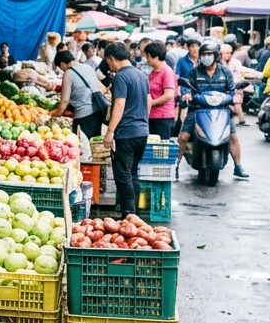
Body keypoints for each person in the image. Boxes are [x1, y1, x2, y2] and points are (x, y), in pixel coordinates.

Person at [180, 41, 250, 181]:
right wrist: (186, 94)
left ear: (216, 56)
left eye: (209, 54)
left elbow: (231, 90)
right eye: (204, 55)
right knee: (183, 137)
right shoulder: (194, 72)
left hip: (221, 110)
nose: (207, 57)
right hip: (198, 109)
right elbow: (187, 88)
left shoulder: (225, 72)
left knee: (233, 137)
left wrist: (235, 97)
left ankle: (238, 166)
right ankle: (175, 165)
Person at [105, 42, 150, 216]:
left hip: (126, 133)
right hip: (141, 132)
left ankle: (128, 214)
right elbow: (148, 101)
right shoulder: (141, 75)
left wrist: (110, 132)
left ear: (111, 59)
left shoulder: (121, 77)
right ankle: (133, 214)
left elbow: (119, 104)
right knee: (133, 173)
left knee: (123, 175)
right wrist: (144, 122)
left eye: (108, 62)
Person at [51, 50, 104, 141]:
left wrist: (54, 116)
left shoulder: (69, 73)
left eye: (60, 67)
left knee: (83, 144)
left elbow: (64, 101)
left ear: (63, 64)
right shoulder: (87, 67)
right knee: (94, 142)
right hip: (97, 111)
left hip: (84, 115)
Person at [144, 41, 178, 140]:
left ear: (154, 56)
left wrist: (152, 103)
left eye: (147, 56)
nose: (147, 60)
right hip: (152, 116)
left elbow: (169, 94)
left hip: (163, 118)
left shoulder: (166, 72)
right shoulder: (153, 73)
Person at [221, 43, 247, 125]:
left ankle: (242, 120)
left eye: (230, 53)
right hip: (223, 87)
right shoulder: (218, 63)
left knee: (237, 103)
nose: (229, 55)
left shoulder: (236, 62)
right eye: (227, 53)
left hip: (235, 86)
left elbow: (240, 75)